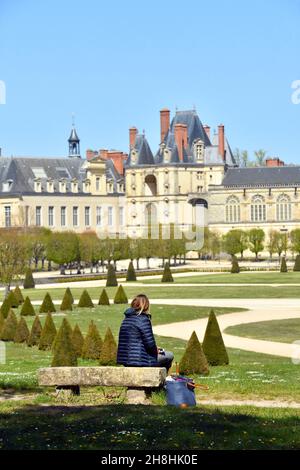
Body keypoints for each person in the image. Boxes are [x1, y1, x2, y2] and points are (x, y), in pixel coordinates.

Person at [117, 294, 174, 372]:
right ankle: (158, 381)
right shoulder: (143, 319)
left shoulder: (126, 319)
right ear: (146, 306)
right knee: (169, 355)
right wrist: (156, 350)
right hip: (140, 361)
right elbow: (150, 345)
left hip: (126, 361)